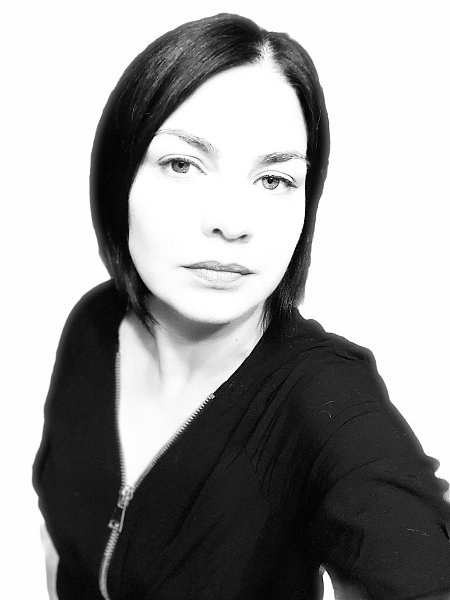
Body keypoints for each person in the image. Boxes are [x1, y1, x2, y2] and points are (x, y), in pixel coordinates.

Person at [33, 12, 450, 600]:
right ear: (118, 178)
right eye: (182, 164)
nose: (231, 222)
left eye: (274, 179)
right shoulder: (94, 325)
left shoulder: (325, 399)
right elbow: (62, 545)